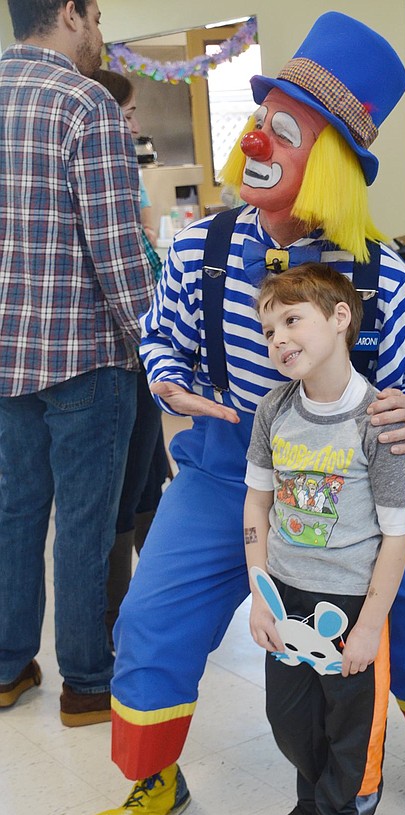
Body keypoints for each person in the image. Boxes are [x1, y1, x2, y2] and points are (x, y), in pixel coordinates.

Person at [51, 12, 405, 815]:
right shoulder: (203, 248)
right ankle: (149, 782)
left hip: (351, 479)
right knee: (153, 617)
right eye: (256, 121)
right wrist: (168, 381)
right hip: (220, 470)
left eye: (281, 129)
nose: (253, 141)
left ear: (329, 160)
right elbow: (161, 340)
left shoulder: (378, 269)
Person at [0, 0, 153, 725]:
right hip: (86, 359)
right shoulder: (86, 104)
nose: (98, 27)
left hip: (4, 359)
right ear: (68, 13)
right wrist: (162, 351)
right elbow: (119, 253)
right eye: (94, 13)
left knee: (14, 515)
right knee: (87, 525)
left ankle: (6, 667)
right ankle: (88, 681)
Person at [244, 263, 405, 815]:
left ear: (339, 318)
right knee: (289, 717)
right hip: (285, 596)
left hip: (348, 606)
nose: (278, 338)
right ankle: (311, 802)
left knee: (350, 728)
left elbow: (396, 535)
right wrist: (262, 593)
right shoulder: (273, 410)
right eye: (268, 330)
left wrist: (370, 623)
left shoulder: (380, 418)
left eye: (292, 319)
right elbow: (256, 508)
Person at [93, 68, 169, 646]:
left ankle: (158, 594)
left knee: (149, 478)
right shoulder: (97, 171)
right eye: (128, 113)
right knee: (125, 487)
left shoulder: (125, 172)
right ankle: (116, 617)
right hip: (119, 355)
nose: (135, 125)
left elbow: (142, 251)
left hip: (142, 355)